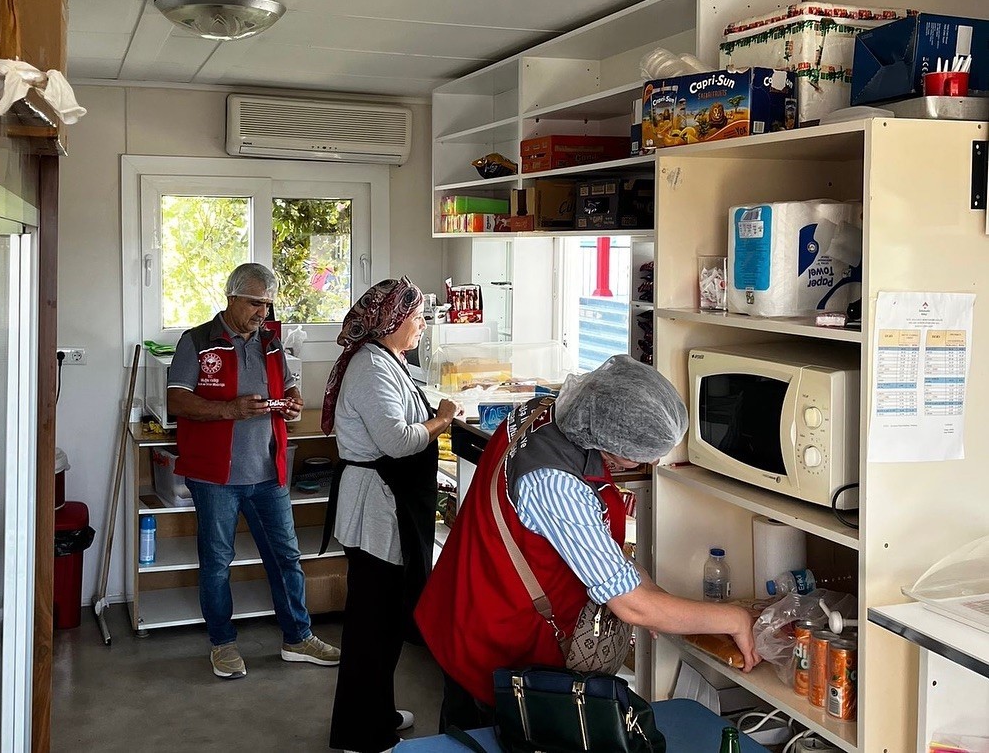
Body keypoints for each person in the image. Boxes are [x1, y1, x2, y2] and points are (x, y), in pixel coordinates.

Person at [414, 355, 761, 729]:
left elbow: (611, 567)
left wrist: (658, 603)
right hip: (492, 637)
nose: (655, 458)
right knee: (481, 736)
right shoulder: (556, 483)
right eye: (641, 452)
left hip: (471, 598)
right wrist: (734, 618)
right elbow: (632, 606)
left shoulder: (543, 412)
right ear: (609, 436)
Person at [167, 263, 340, 679]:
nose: (262, 312)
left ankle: (297, 638)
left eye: (267, 303)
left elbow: (285, 389)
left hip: (268, 472)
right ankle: (222, 644)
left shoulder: (272, 343)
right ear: (231, 298)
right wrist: (230, 409)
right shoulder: (197, 342)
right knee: (216, 563)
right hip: (216, 478)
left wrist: (293, 400)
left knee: (285, 557)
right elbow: (176, 402)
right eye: (254, 303)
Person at [320, 277, 461, 753]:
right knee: (371, 627)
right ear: (393, 321)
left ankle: (375, 712)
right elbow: (397, 441)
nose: (422, 326)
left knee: (385, 622)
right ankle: (361, 734)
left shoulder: (387, 360)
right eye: (418, 318)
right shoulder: (369, 369)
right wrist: (441, 418)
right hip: (374, 510)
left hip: (385, 505)